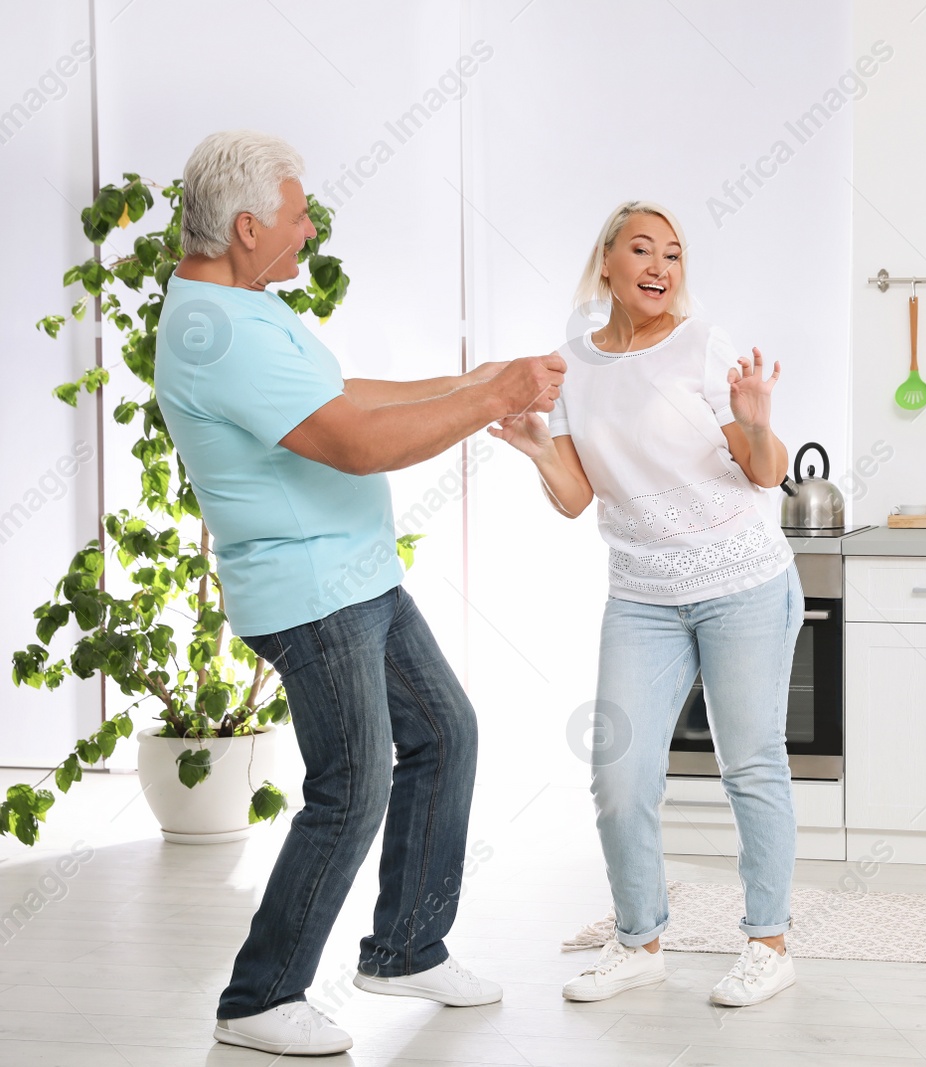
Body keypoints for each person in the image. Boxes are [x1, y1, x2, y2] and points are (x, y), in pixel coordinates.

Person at [153, 129, 565, 1057]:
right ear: (248, 227)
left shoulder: (245, 304)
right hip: (308, 589)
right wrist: (493, 396)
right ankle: (259, 997)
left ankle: (406, 946)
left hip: (355, 573)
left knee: (444, 732)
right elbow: (354, 443)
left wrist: (476, 379)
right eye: (297, 219)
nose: (308, 232)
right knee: (352, 786)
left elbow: (345, 395)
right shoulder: (214, 330)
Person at [492, 200, 803, 1007]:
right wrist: (534, 447)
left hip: (741, 581)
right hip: (642, 595)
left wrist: (757, 421)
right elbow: (572, 497)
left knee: (751, 765)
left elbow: (764, 472)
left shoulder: (704, 344)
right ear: (607, 264)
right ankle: (639, 940)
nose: (661, 266)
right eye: (643, 249)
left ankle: (768, 943)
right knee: (618, 776)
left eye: (673, 254)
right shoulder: (570, 366)